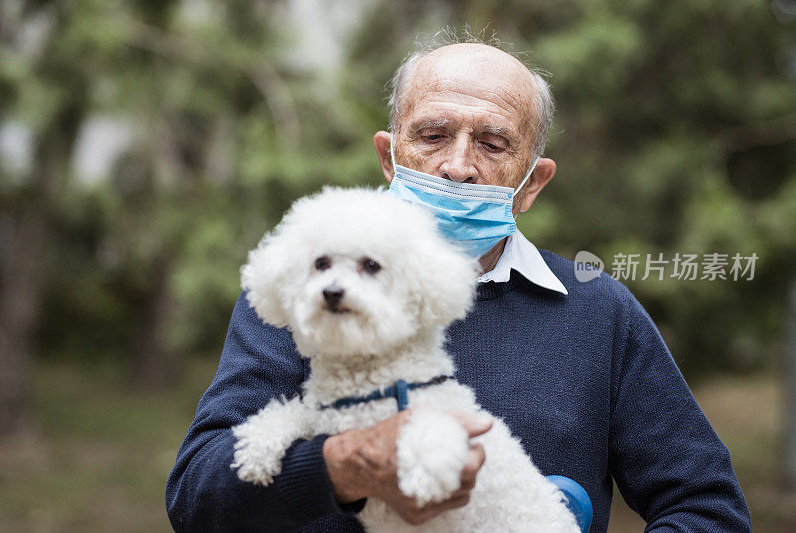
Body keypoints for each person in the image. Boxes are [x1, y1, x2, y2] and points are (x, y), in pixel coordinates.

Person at [165, 34, 752, 532]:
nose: (458, 165)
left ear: (531, 184)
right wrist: (342, 468)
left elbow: (705, 506)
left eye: (493, 143)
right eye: (432, 135)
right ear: (389, 159)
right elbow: (197, 497)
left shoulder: (600, 312)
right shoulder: (309, 291)